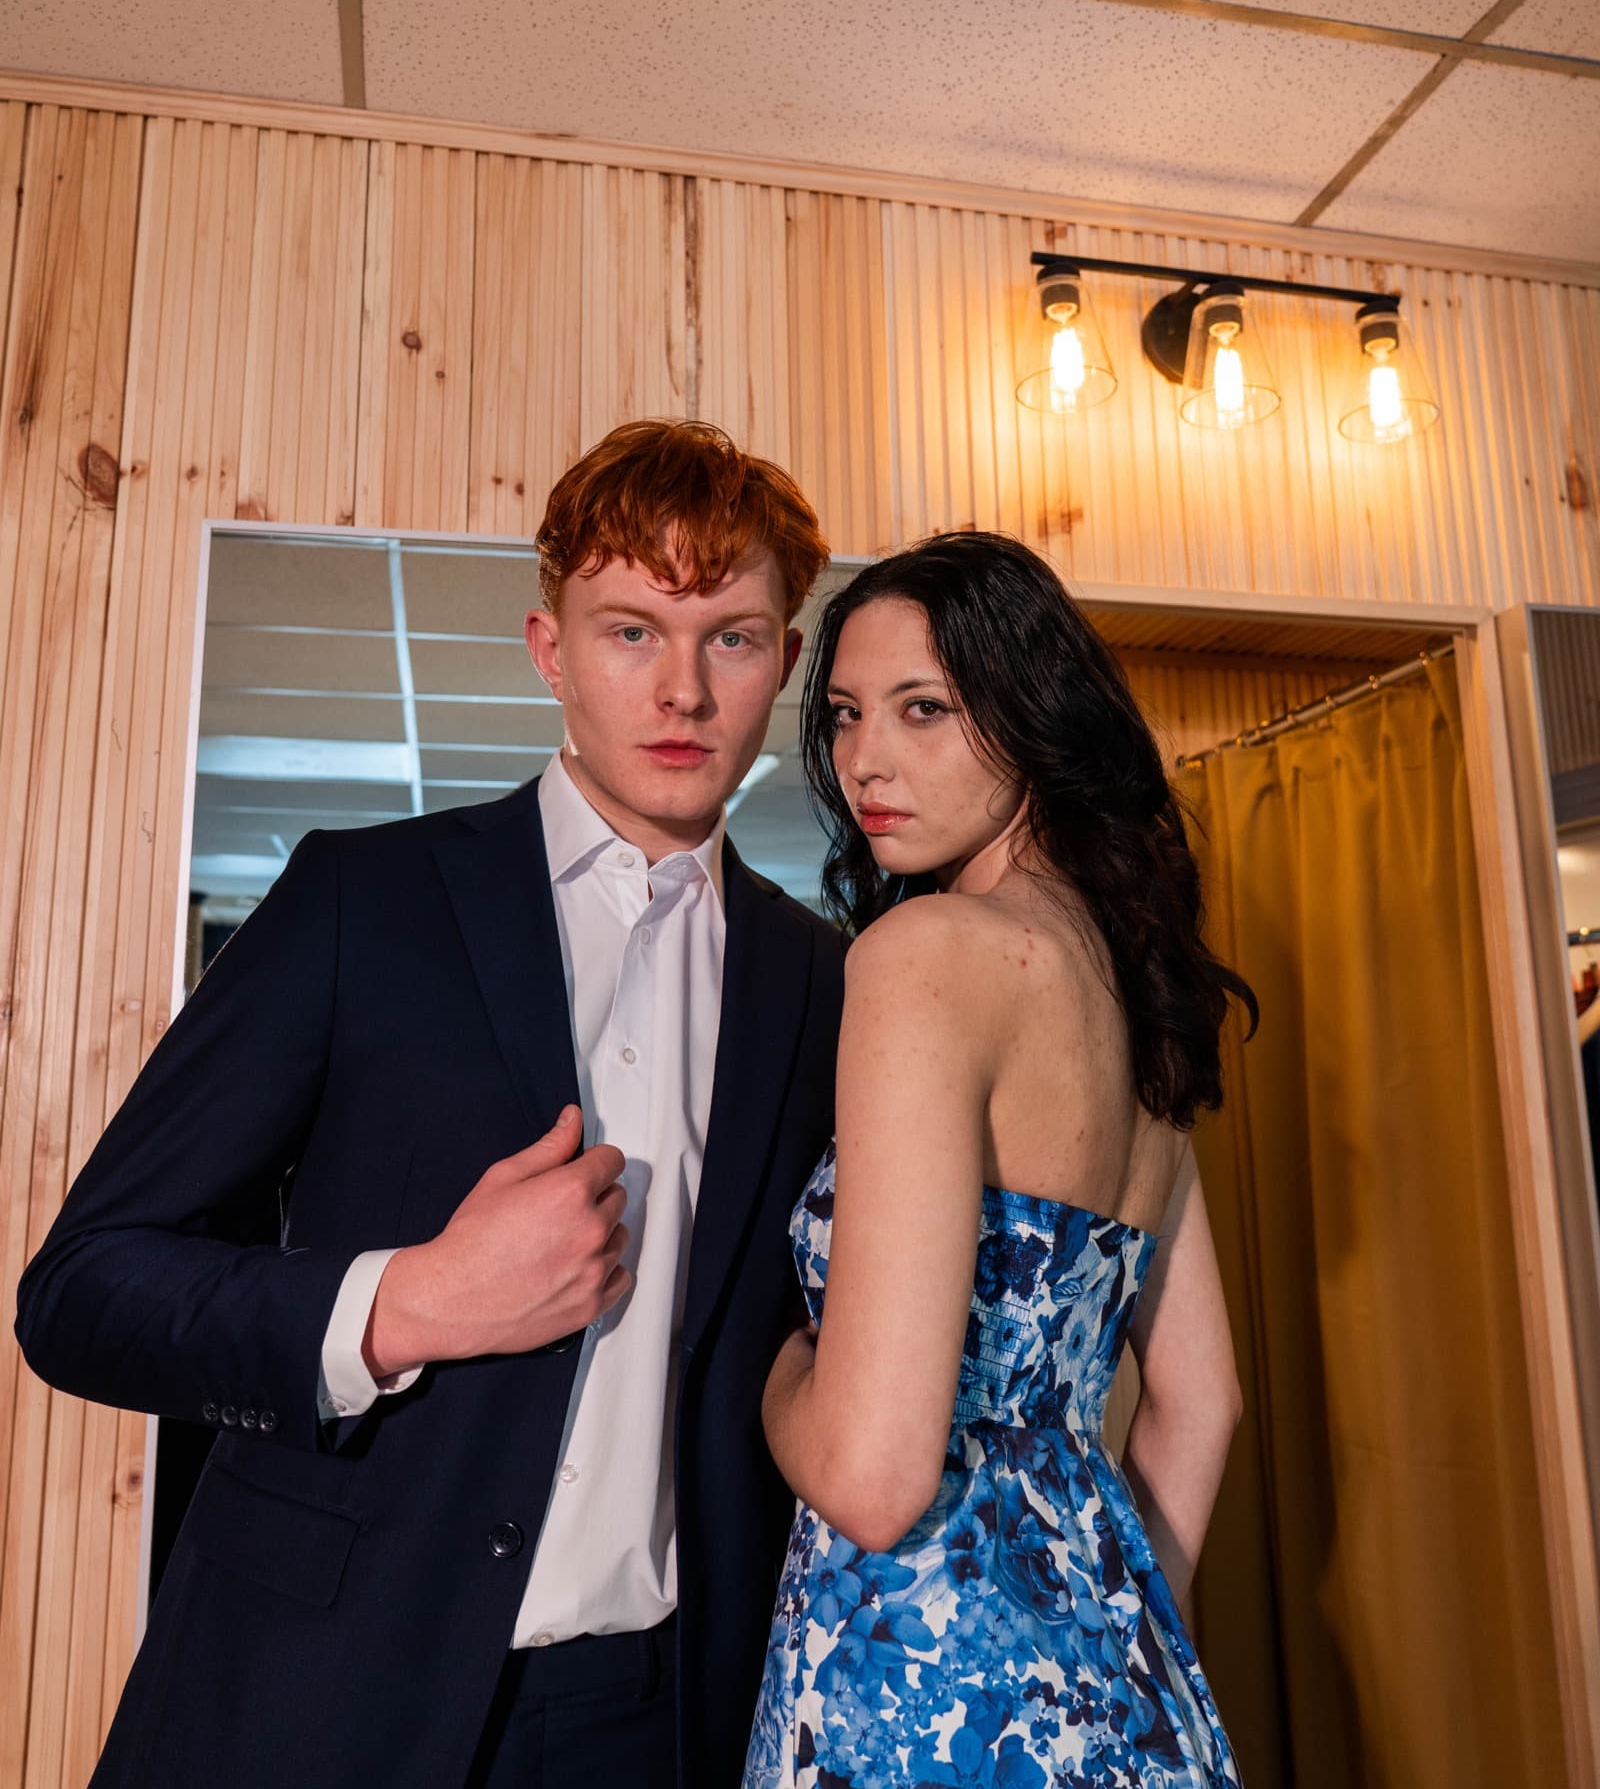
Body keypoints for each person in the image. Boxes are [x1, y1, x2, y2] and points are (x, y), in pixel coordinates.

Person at [16, 421, 841, 1789]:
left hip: (665, 1721)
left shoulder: (829, 983)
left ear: (787, 665)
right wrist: (402, 1304)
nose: (684, 688)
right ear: (550, 651)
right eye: (632, 631)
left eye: (734, 637)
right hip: (319, 1695)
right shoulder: (362, 903)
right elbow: (83, 1292)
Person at [743, 532, 1257, 1788]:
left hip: (918, 1691)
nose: (867, 758)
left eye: (924, 710)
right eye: (849, 715)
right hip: (1115, 1682)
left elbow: (870, 1476)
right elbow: (1202, 1404)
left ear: (1035, 717)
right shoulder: (1139, 984)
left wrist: (779, 1374)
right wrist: (1113, 1633)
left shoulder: (928, 956)